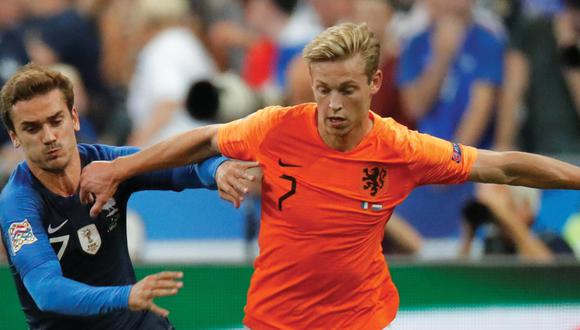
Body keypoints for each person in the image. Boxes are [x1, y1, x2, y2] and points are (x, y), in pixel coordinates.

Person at [80, 23, 580, 329]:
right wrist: (120, 169)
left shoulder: (402, 149)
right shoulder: (276, 126)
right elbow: (206, 138)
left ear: (375, 82)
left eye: (347, 90)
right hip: (274, 318)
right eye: (323, 90)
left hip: (360, 318)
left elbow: (504, 166)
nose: (333, 106)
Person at [0, 64, 256, 329]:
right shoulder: (18, 203)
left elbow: (182, 167)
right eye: (32, 128)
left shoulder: (108, 165)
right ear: (14, 137)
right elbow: (46, 291)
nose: (49, 137)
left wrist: (218, 170)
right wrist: (126, 296)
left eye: (56, 121)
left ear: (74, 118)